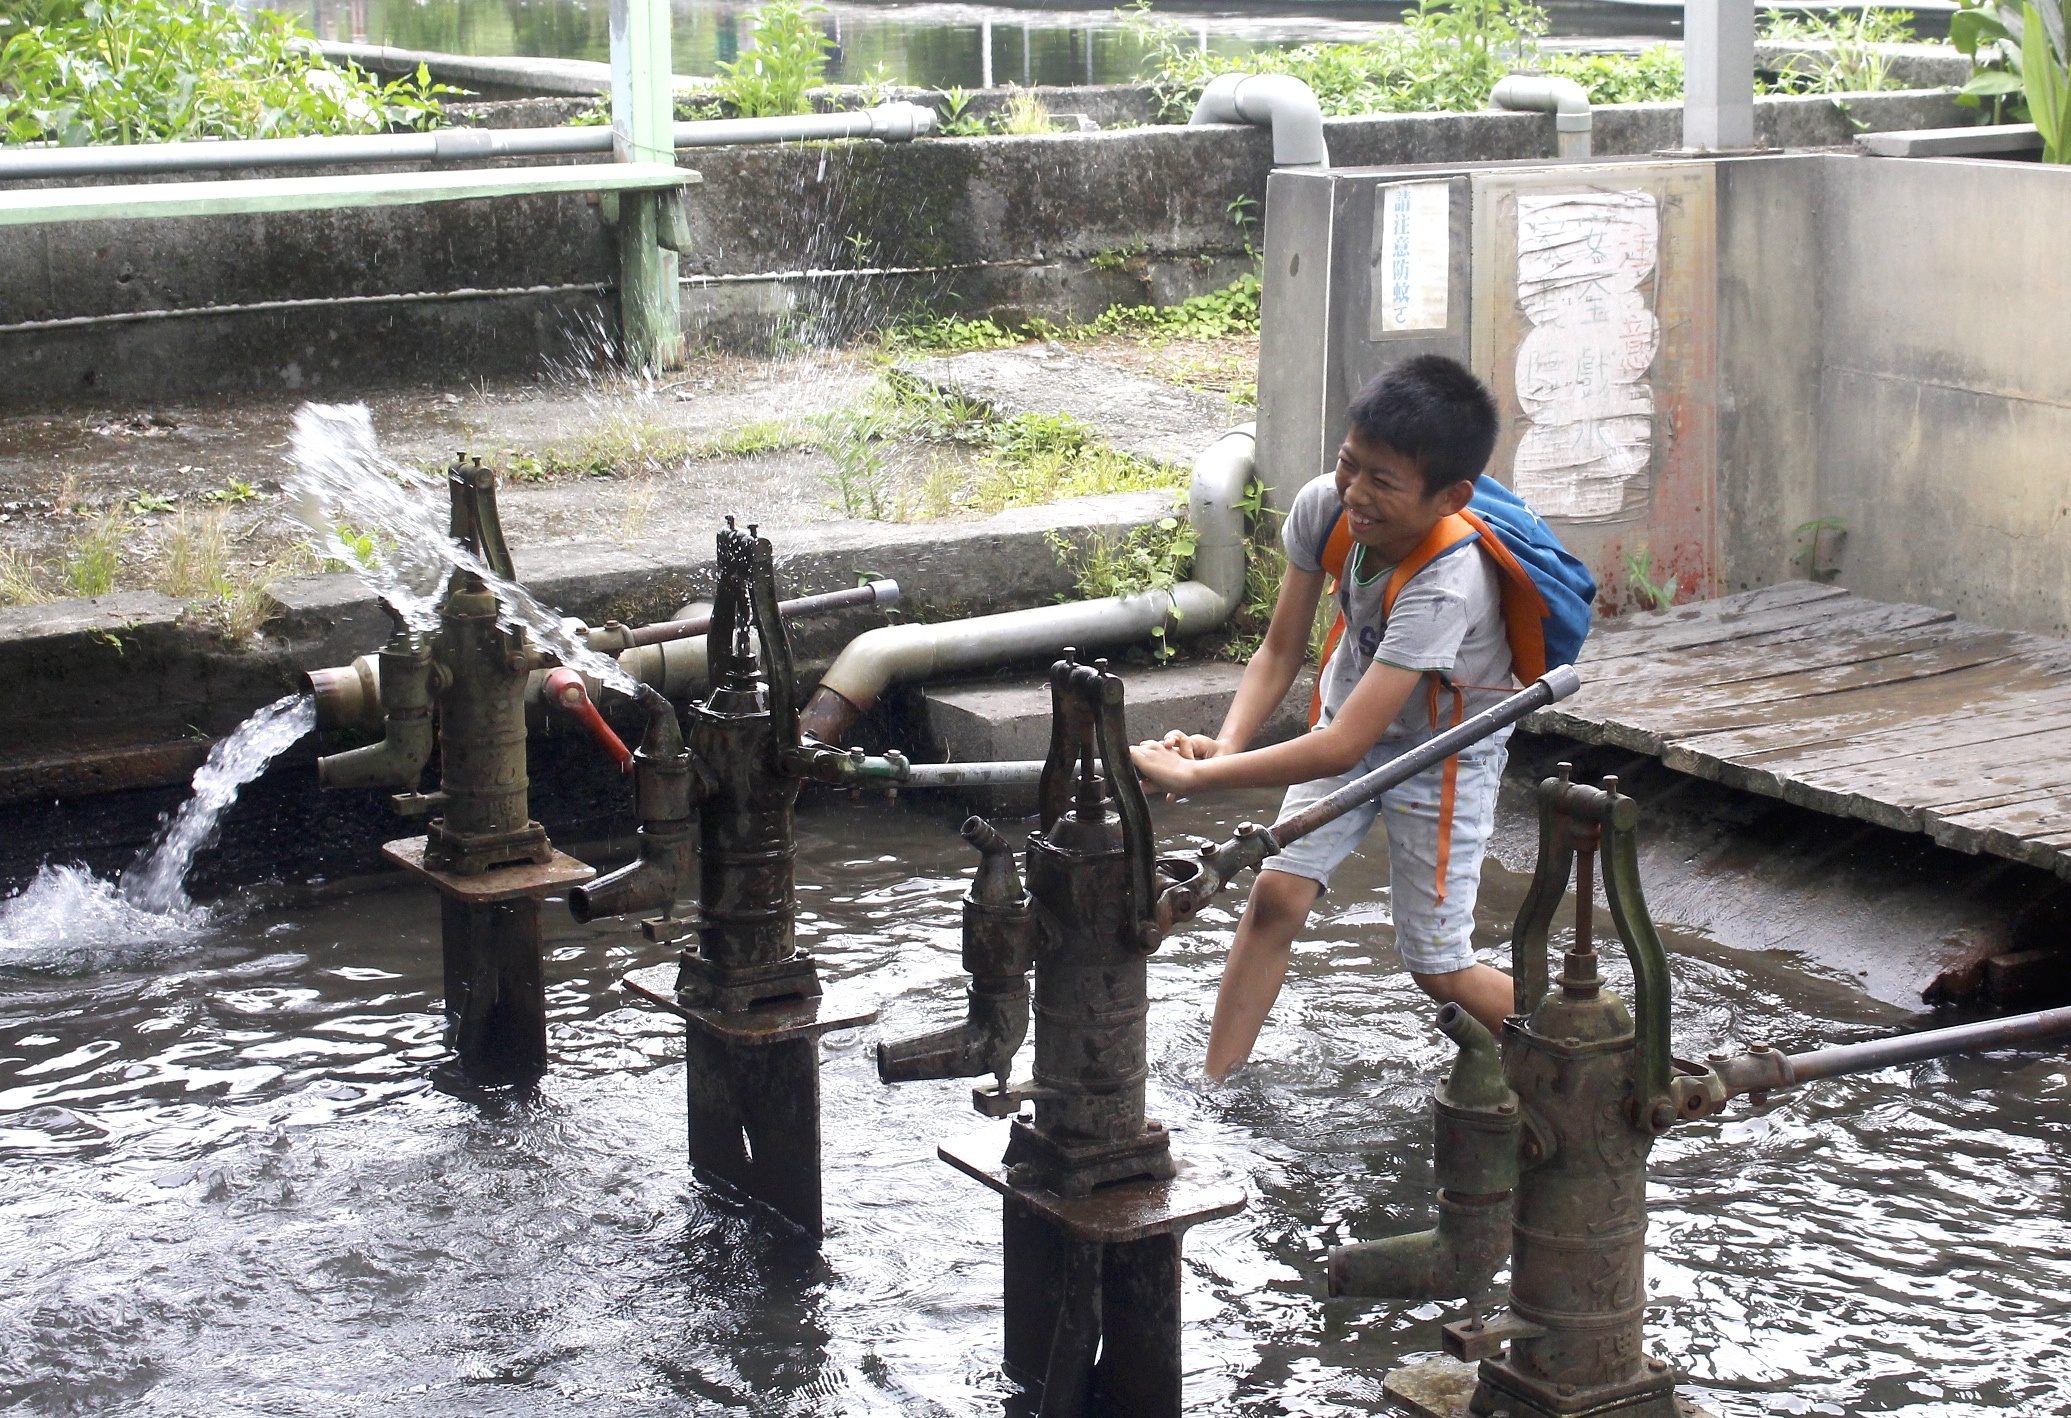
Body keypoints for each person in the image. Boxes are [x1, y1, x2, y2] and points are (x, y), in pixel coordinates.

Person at [1131, 355, 1518, 1082]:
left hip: (1443, 752)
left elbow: (1343, 749)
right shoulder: (1323, 508)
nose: (1355, 494)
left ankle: (1600, 1048)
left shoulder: (1447, 584)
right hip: (1354, 713)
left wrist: (1191, 776)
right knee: (1275, 894)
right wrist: (1225, 746)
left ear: (1449, 497)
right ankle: (1216, 1082)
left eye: (1383, 482)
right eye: (1350, 465)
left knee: (1438, 969)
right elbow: (1279, 651)